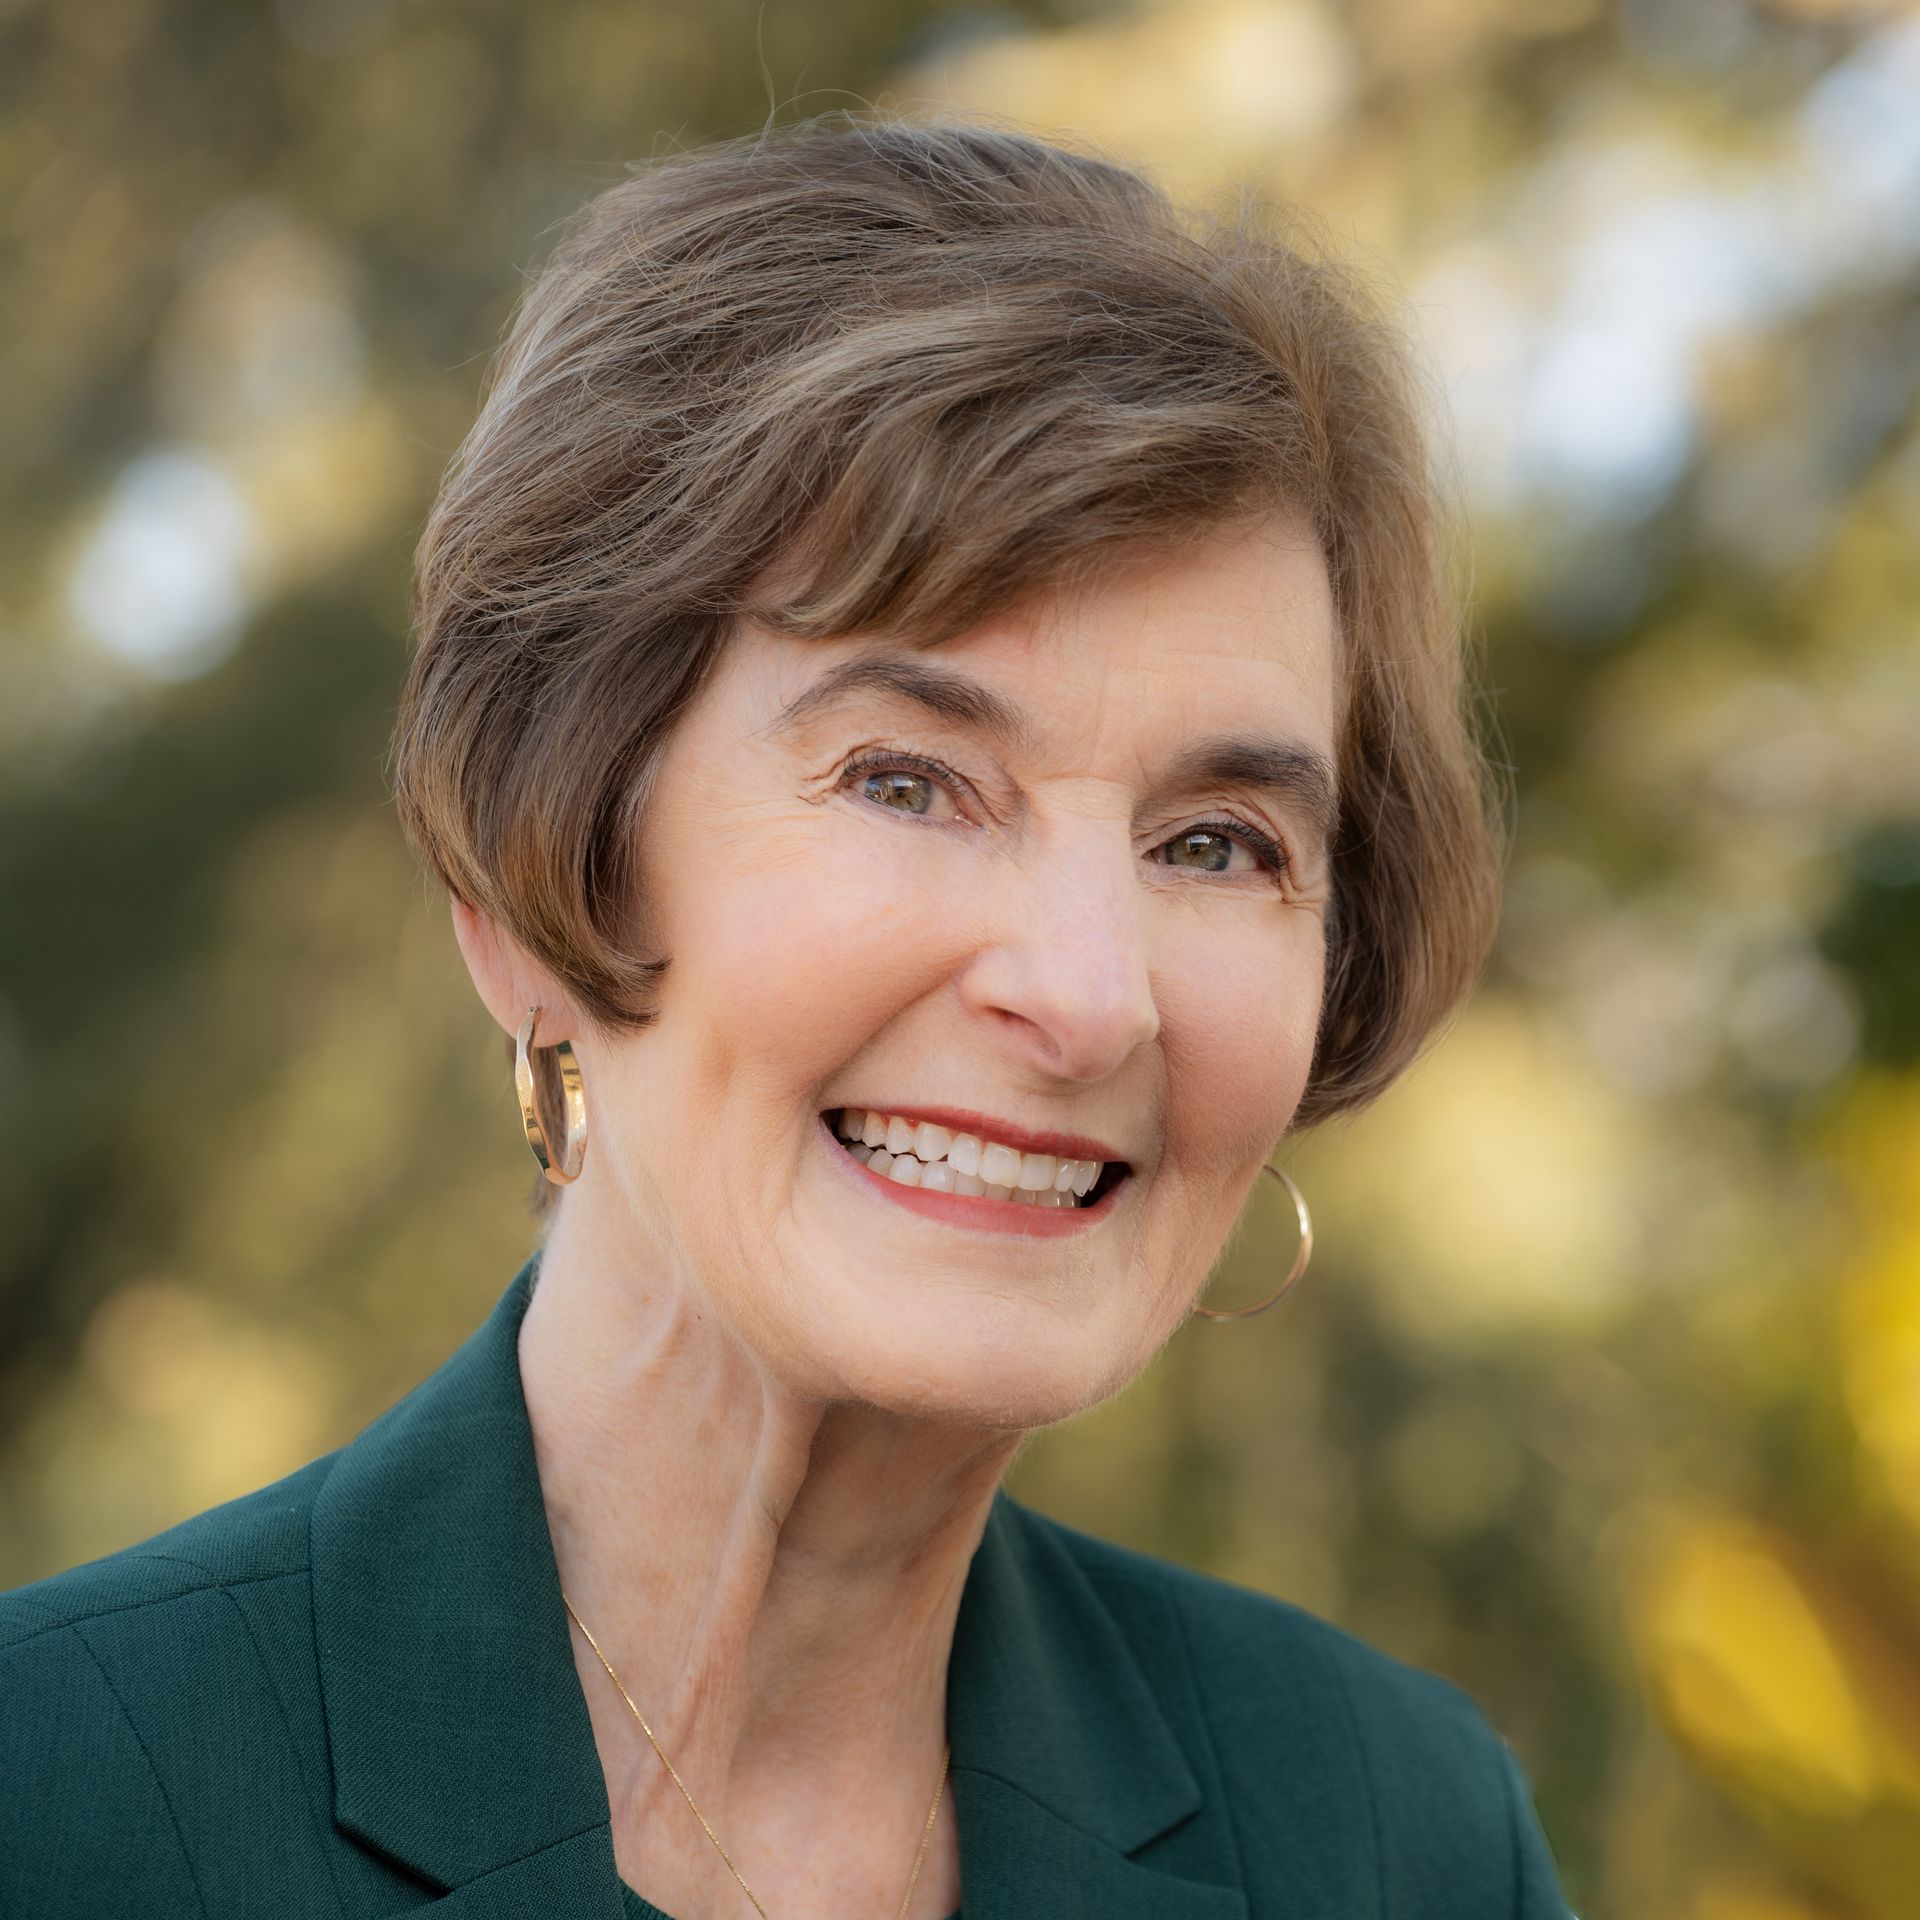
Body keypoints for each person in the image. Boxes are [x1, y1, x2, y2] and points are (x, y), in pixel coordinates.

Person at [0, 114, 1579, 1918]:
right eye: (908, 783)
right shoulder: (52, 1803)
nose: (1084, 996)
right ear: (547, 873)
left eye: (1217, 842)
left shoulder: (1393, 1837)